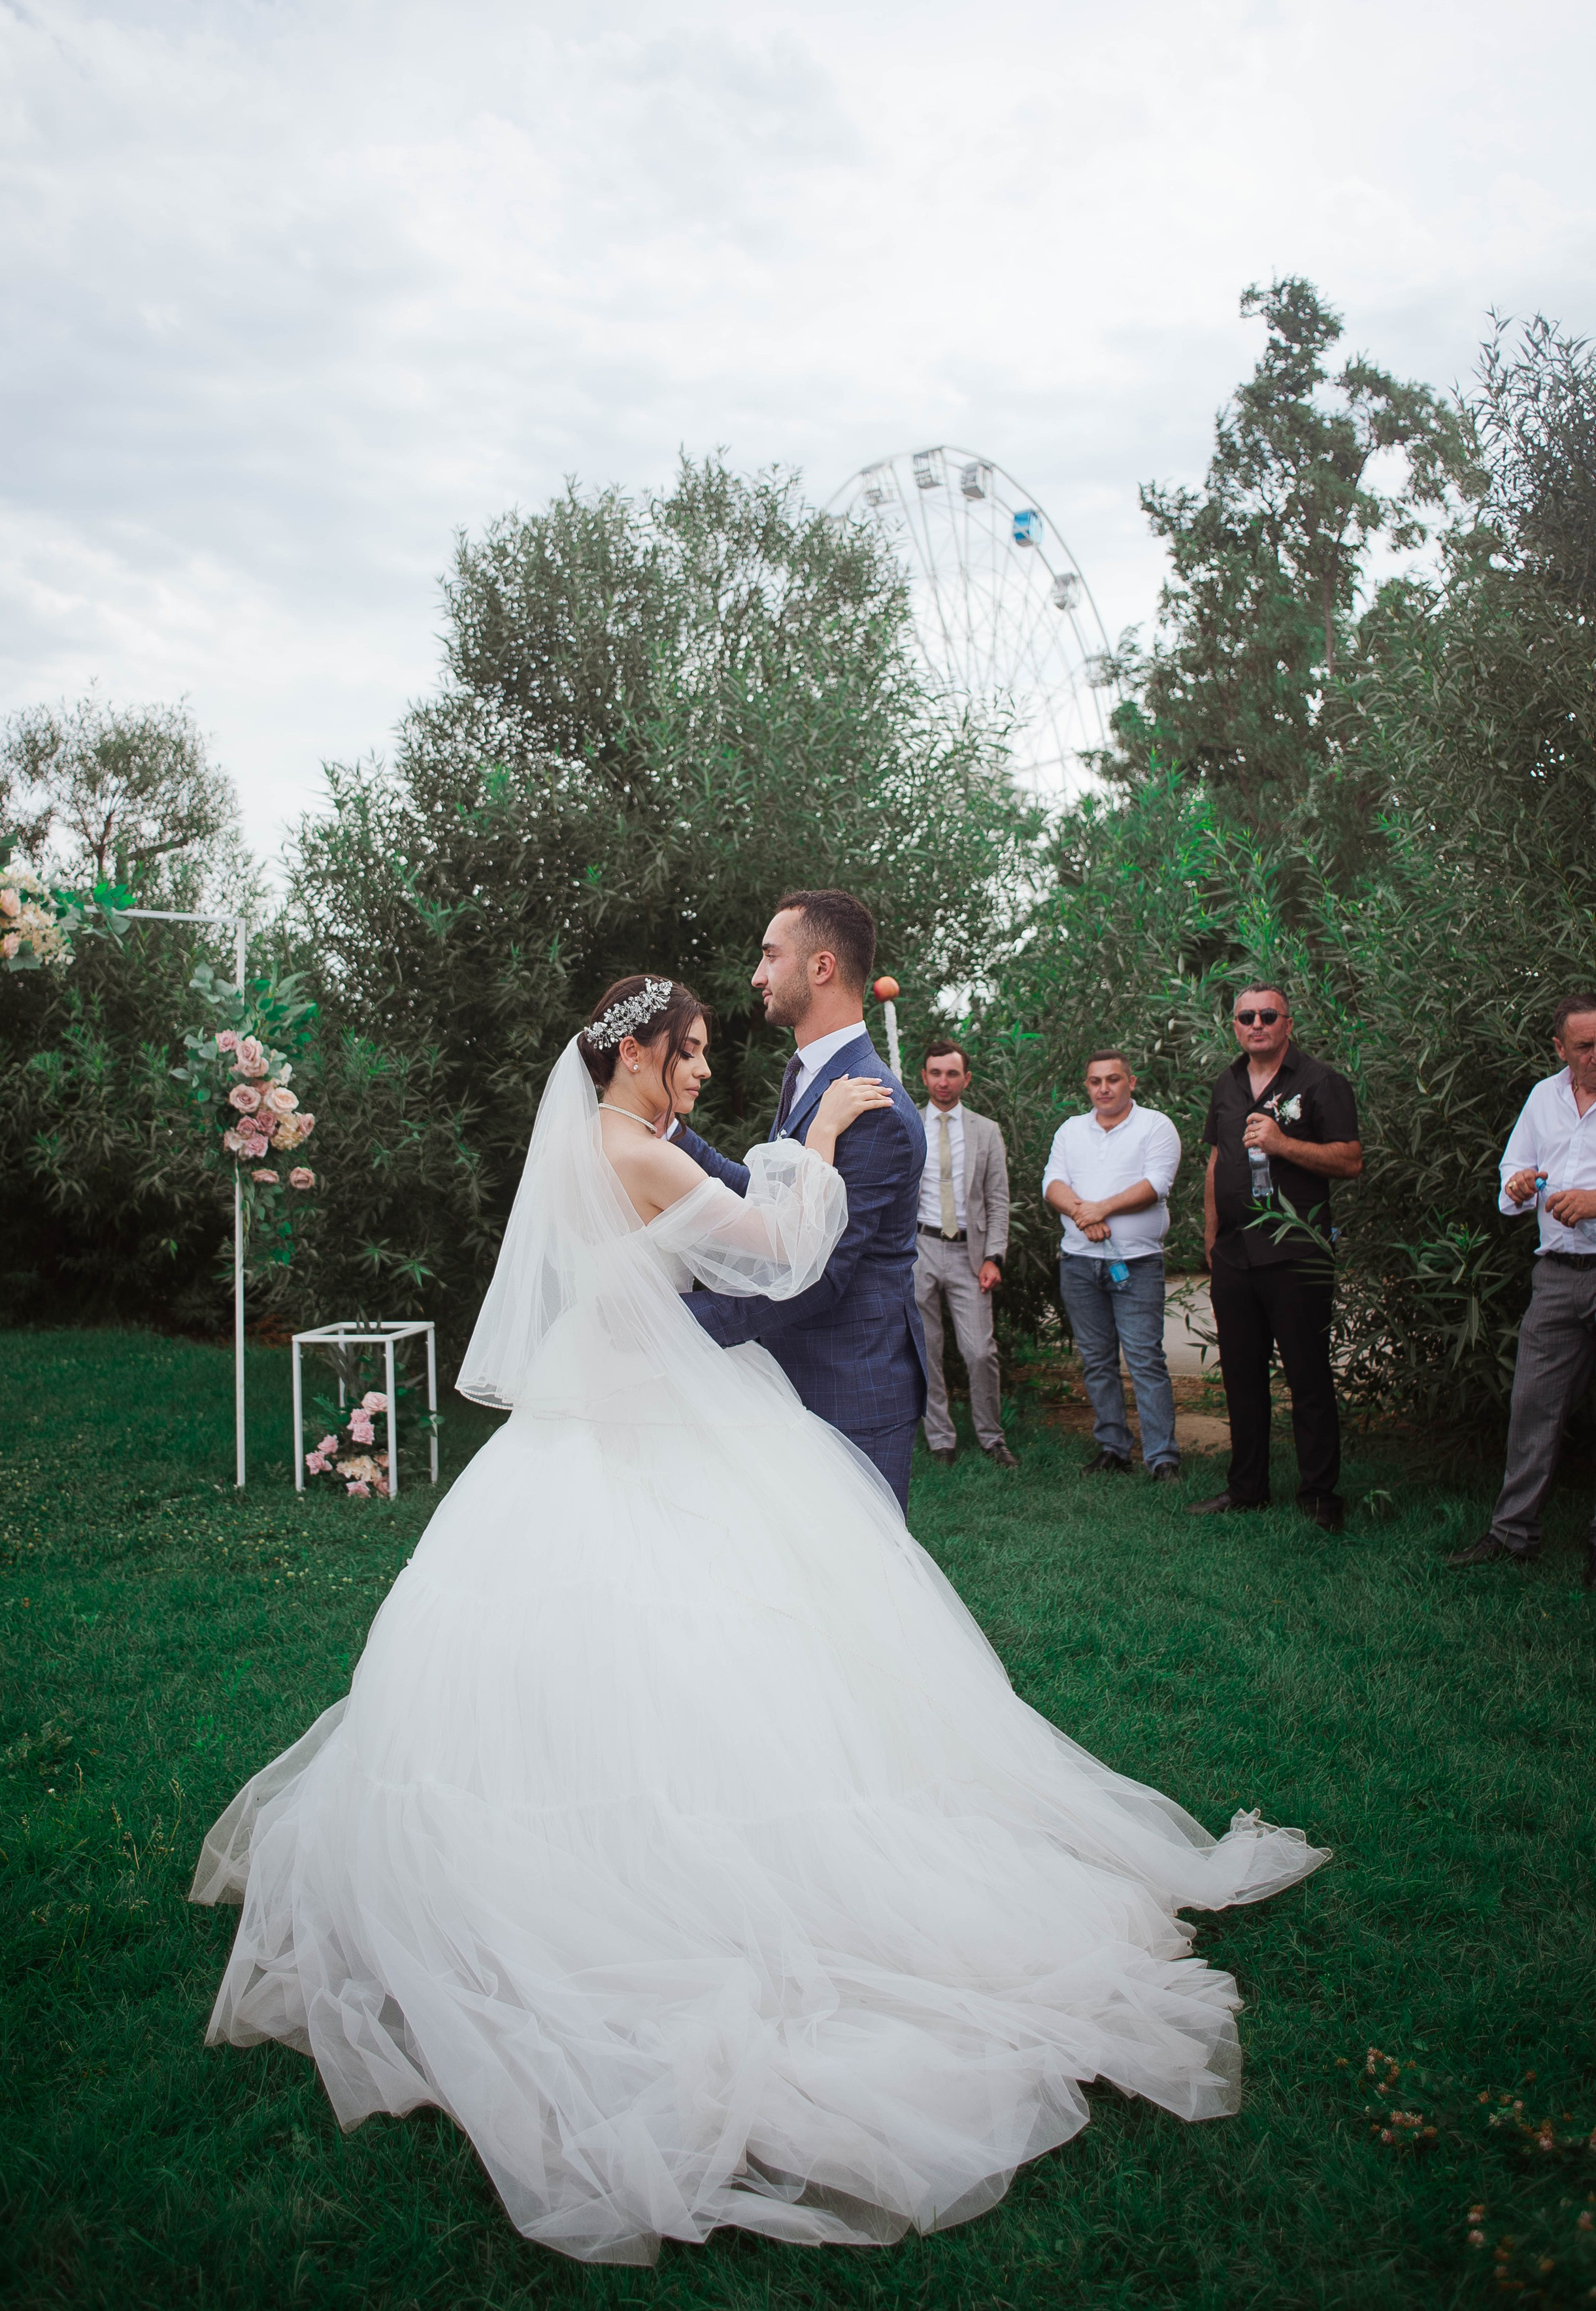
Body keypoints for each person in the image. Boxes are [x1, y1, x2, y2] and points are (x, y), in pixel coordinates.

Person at [192, 971, 1328, 2265]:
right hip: (639, 1420)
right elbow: (780, 1247)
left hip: (600, 1403)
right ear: (633, 1054)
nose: (697, 1074)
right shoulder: (636, 1149)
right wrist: (823, 1137)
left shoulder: (604, 1140)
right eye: (684, 1054)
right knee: (705, 1629)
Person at [671, 889, 930, 1515]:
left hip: (850, 1387)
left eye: (770, 956)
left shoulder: (874, 1107)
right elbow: (777, 1213)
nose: (757, 976)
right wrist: (672, 1137)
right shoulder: (805, 1075)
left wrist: (675, 1324)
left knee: (858, 1569)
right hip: (795, 1375)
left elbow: (820, 1273)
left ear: (821, 967)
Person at [1188, 986, 1362, 1531]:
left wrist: (1284, 1144)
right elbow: (1217, 1160)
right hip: (1235, 1253)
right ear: (1235, 1025)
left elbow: (1350, 1160)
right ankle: (1247, 1489)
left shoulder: (1321, 1082)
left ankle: (1319, 1495)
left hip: (1296, 1253)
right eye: (1247, 1016)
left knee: (1308, 1377)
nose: (1256, 1023)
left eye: (1267, 1015)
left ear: (1288, 1023)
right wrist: (1212, 1236)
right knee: (1241, 1377)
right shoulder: (1227, 1083)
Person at [1448, 993, 1596, 1588]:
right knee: (1534, 1403)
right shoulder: (1542, 1097)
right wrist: (1518, 1184)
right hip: (1556, 1273)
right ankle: (1513, 1534)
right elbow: (1511, 1176)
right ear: (1560, 1048)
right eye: (1585, 1046)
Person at [1044, 1050, 1183, 1480]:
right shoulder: (1071, 1129)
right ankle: (1114, 1448)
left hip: (1137, 1263)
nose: (1104, 1088)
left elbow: (1156, 1185)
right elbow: (1052, 1183)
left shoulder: (1155, 1126)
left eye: (1113, 1079)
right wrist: (1084, 1215)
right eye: (1095, 1081)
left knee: (1145, 1359)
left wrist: (1098, 1209)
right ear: (1087, 1086)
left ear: (1131, 1082)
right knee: (1097, 1360)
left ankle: (1162, 1457)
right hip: (1079, 1263)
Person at [913, 1037, 1016, 1469]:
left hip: (968, 1254)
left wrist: (995, 1256)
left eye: (952, 1073)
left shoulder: (985, 1130)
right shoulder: (908, 1124)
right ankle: (940, 1439)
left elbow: (998, 1199)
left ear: (966, 1079)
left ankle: (992, 1438)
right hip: (919, 1248)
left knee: (980, 1351)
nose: (944, 1081)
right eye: (936, 1073)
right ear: (924, 1077)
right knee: (926, 1348)